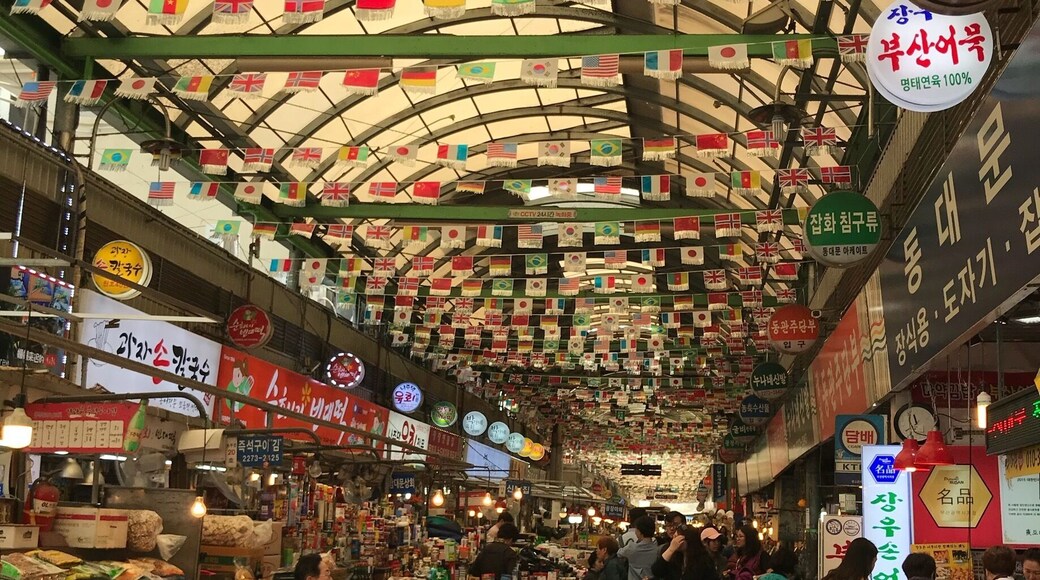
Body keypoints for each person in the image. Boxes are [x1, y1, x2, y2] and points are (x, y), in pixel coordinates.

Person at [652, 527, 719, 580]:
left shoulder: (703, 560)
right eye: (674, 537)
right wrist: (670, 550)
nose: (674, 541)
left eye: (678, 538)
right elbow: (657, 571)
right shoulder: (672, 554)